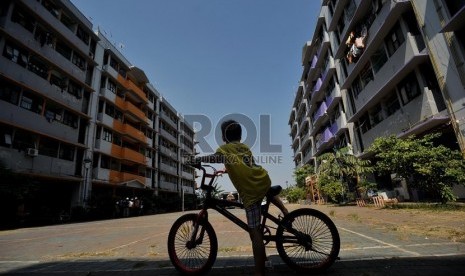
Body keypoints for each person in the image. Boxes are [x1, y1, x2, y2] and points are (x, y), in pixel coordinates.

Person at [192, 120, 288, 276]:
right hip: (261, 179)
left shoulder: (224, 150)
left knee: (254, 232)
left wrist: (198, 159)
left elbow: (214, 157)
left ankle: (259, 273)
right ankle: (284, 209)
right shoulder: (244, 148)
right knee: (265, 190)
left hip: (250, 191)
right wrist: (228, 169)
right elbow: (245, 165)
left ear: (224, 137)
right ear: (240, 135)